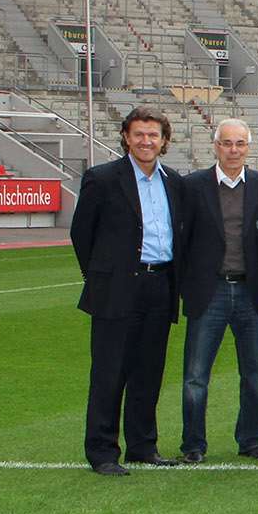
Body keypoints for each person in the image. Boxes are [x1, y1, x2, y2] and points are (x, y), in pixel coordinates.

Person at [74, 105, 186, 474]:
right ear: (125, 137)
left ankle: (142, 446)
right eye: (139, 134)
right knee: (110, 372)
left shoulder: (174, 181)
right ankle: (103, 451)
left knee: (148, 371)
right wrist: (104, 276)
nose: (146, 141)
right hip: (118, 289)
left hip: (160, 284)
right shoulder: (102, 178)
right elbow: (81, 234)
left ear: (164, 140)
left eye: (153, 135)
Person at [177, 118, 258, 462]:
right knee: (195, 376)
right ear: (215, 146)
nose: (233, 150)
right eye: (227, 143)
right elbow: (183, 240)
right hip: (210, 292)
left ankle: (251, 440)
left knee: (256, 374)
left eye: (240, 144)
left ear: (249, 148)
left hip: (251, 292)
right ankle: (193, 444)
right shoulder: (193, 186)